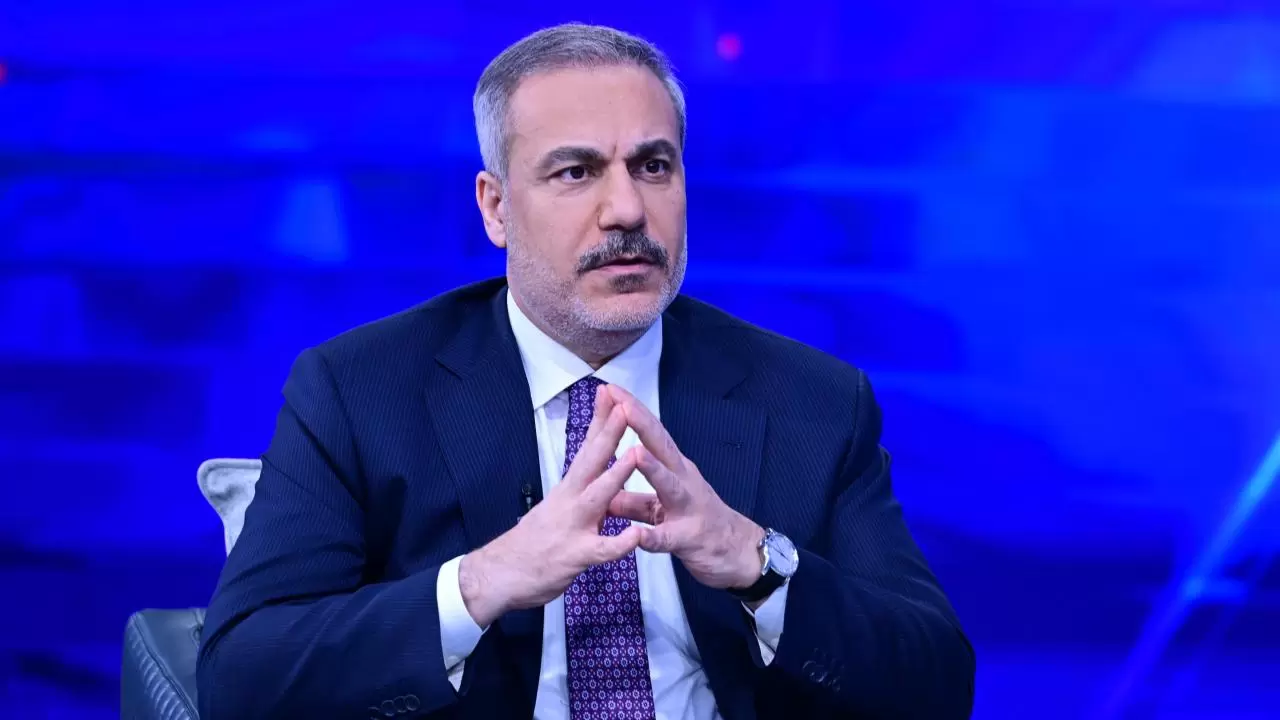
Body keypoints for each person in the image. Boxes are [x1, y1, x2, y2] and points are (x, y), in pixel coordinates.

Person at [196, 22, 975, 720]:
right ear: (496, 208)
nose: (627, 210)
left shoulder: (812, 400)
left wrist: (755, 562)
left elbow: (937, 683)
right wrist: (483, 582)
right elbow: (243, 680)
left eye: (653, 166)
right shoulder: (359, 391)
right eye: (576, 172)